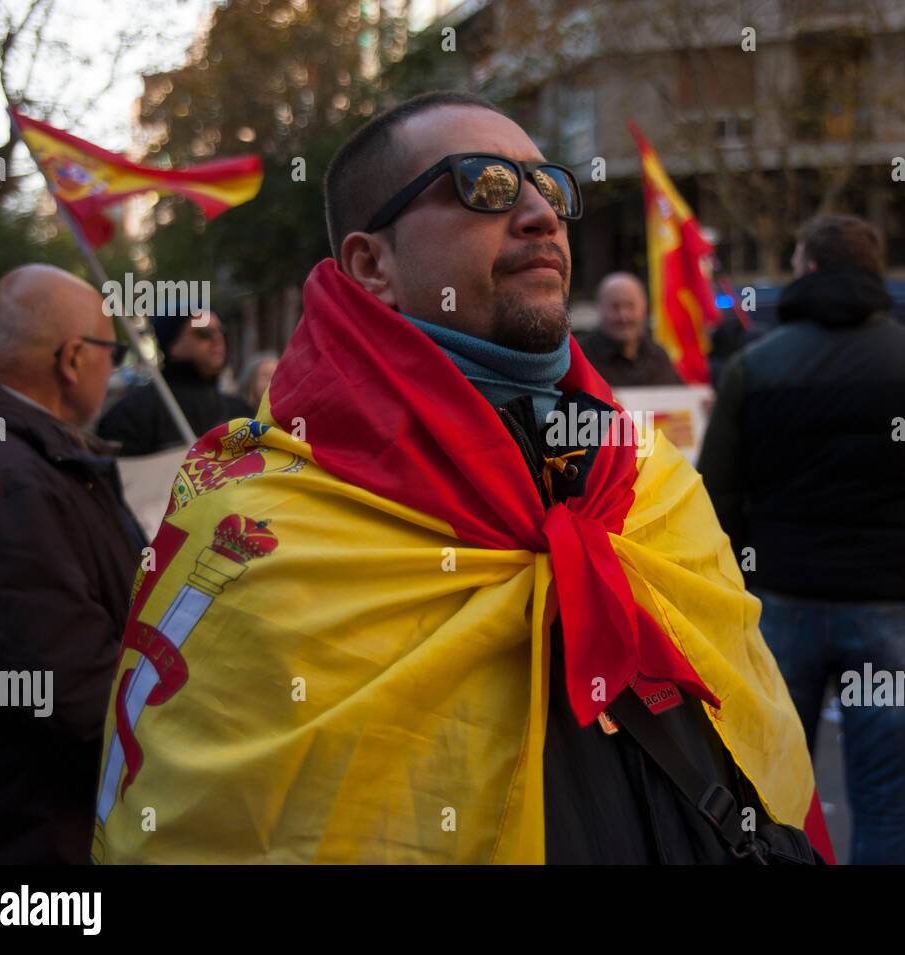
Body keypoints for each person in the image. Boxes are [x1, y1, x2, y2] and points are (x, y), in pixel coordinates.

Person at [91, 90, 831, 865]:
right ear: (371, 264)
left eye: (549, 186)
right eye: (483, 185)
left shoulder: (651, 476)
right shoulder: (260, 518)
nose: (541, 214)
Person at [698, 213, 905, 864]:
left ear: (806, 267)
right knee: (884, 801)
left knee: (768, 799)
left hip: (775, 612)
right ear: (876, 274)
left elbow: (714, 501)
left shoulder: (753, 366)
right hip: (891, 614)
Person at [0, 264, 144, 863]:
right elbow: (75, 690)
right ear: (73, 358)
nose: (112, 371)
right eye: (111, 352)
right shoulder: (8, 477)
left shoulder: (6, 454)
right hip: (29, 837)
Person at [98, 309, 253, 455]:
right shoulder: (131, 415)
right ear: (173, 344)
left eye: (221, 331)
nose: (217, 339)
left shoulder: (241, 411)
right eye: (204, 333)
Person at [576, 272, 683, 387]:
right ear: (599, 309)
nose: (623, 316)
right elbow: (572, 404)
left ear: (645, 308)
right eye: (615, 307)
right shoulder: (580, 358)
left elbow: (677, 399)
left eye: (630, 306)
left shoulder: (658, 357)